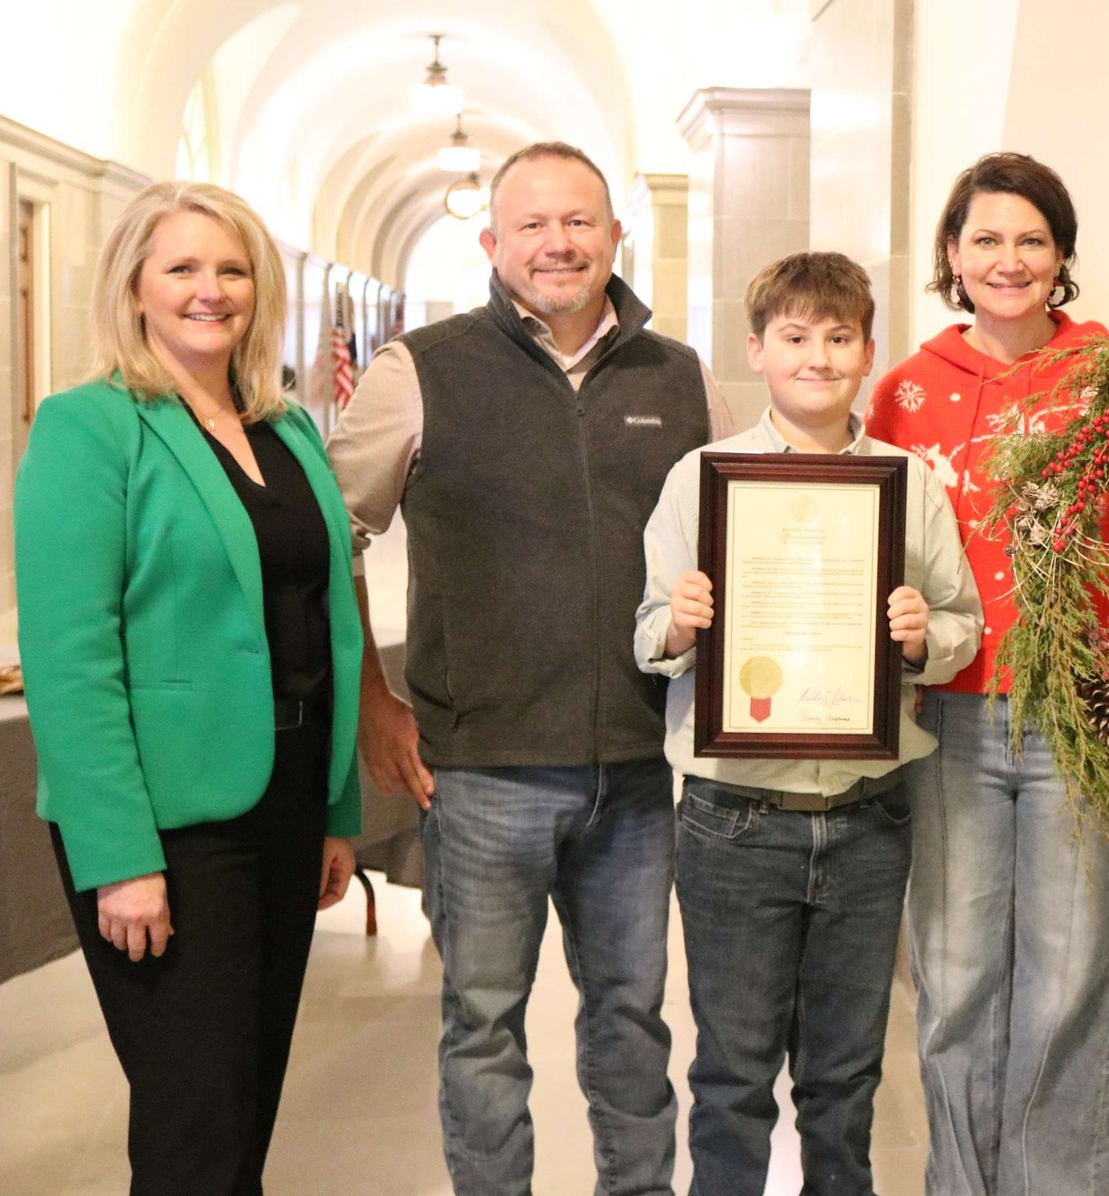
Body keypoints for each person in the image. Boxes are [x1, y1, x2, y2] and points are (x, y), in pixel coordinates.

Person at [328, 141, 734, 1196]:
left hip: (639, 774)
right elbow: (329, 540)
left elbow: (731, 540)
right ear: (492, 242)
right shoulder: (421, 370)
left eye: (579, 222)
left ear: (613, 235)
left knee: (632, 1026)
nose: (558, 243)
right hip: (483, 774)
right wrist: (373, 697)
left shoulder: (677, 377)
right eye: (533, 225)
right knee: (481, 1032)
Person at [16, 181, 363, 1195]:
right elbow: (72, 661)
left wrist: (336, 811)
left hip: (289, 799)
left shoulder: (286, 428)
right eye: (182, 268)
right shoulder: (89, 428)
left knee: (247, 1102)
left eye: (232, 269)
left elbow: (321, 625)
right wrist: (118, 855)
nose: (210, 291)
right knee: (194, 1119)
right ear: (133, 286)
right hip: (168, 825)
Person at [864, 152, 1109, 1195]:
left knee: (1066, 990)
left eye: (1030, 240)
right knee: (957, 987)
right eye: (984, 240)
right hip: (945, 727)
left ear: (1061, 258)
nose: (1008, 260)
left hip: (1083, 727)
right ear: (951, 258)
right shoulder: (903, 393)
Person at [635, 250, 983, 1194]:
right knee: (734, 1074)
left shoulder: (910, 484)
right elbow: (644, 635)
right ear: (757, 350)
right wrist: (682, 619)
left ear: (868, 350)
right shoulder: (702, 479)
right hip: (734, 820)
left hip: (871, 816)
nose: (817, 357)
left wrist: (921, 637)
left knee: (844, 1078)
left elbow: (963, 620)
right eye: (794, 338)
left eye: (839, 338)